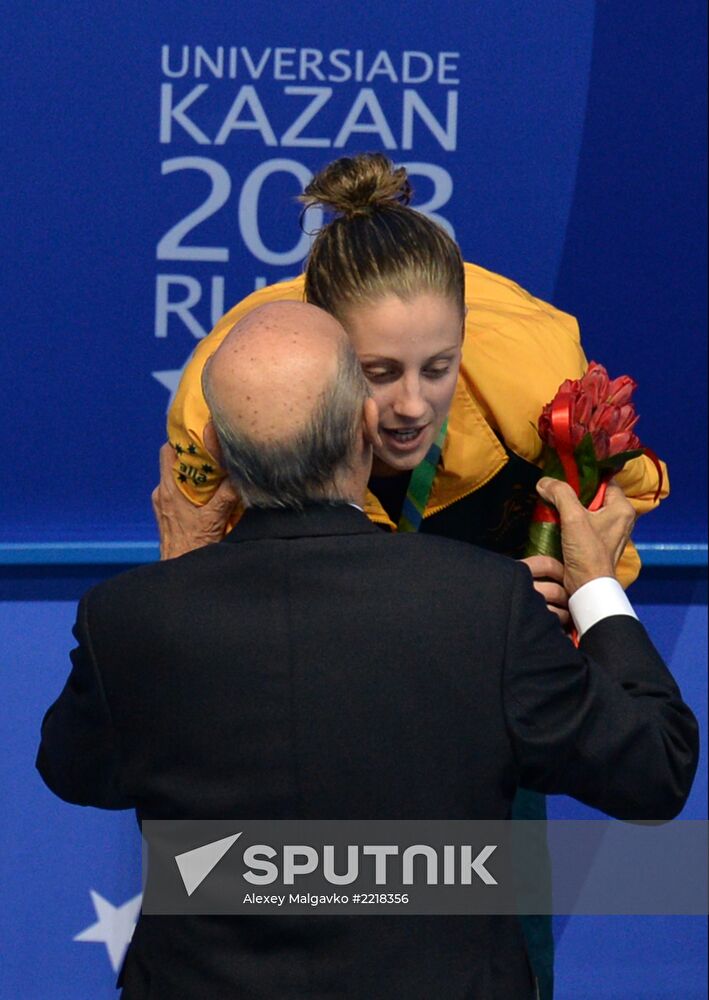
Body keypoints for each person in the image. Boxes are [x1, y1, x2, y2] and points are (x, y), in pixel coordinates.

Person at [37, 302, 697, 1000]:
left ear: (222, 454)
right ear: (364, 427)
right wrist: (593, 582)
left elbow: (80, 775)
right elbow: (653, 771)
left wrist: (176, 576)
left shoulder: (129, 616)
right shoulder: (484, 605)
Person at [163, 152, 669, 995]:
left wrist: (570, 593)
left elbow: (619, 492)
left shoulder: (532, 371)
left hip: (476, 632)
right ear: (323, 358)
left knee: (483, 934)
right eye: (377, 373)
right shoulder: (234, 392)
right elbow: (188, 571)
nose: (410, 406)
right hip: (307, 640)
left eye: (436, 368)